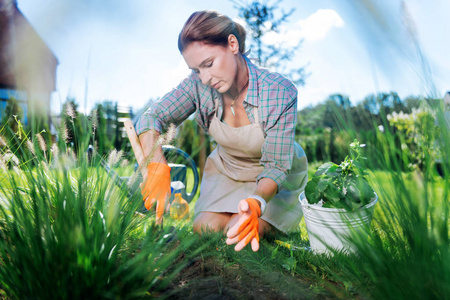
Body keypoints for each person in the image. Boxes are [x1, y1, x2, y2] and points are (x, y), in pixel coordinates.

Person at [135, 10, 308, 252]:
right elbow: (151, 117)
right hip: (229, 168)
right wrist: (156, 166)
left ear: (232, 44)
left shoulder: (278, 91)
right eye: (196, 70)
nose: (204, 78)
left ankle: (267, 219)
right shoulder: (198, 86)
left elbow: (276, 166)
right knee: (204, 228)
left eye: (208, 64)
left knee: (237, 233)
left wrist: (256, 202)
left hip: (273, 178)